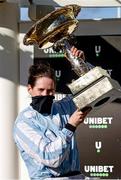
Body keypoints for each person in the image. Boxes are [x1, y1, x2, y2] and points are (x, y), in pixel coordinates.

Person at [13, 46, 91, 180]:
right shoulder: (24, 123)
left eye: (50, 91)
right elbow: (51, 158)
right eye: (41, 90)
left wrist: (83, 67)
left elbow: (93, 90)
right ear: (30, 89)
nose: (45, 94)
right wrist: (70, 126)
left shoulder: (64, 107)